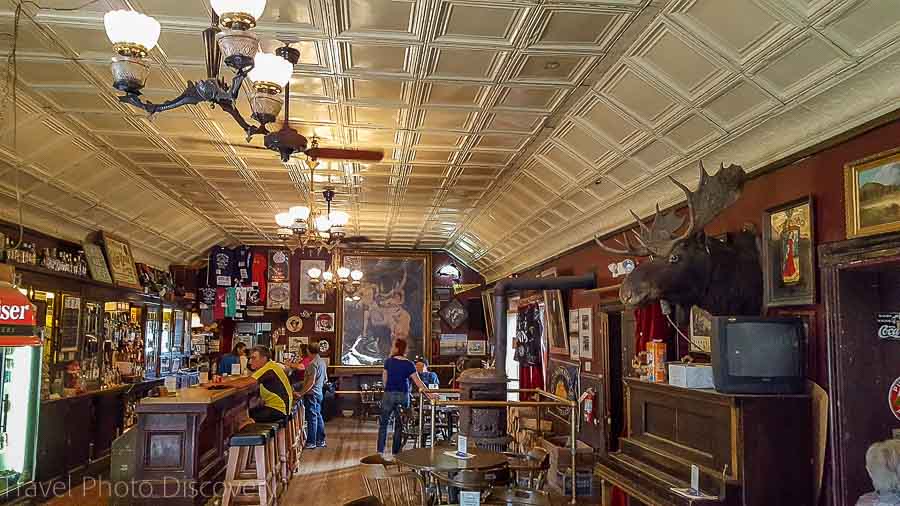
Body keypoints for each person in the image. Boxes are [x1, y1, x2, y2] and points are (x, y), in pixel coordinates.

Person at [378, 339, 434, 457]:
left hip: (389, 394)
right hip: (403, 395)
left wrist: (388, 388)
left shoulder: (388, 362)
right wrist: (430, 394)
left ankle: (380, 452)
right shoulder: (409, 364)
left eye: (393, 346)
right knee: (400, 426)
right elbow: (418, 383)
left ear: (397, 348)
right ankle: (396, 453)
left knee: (384, 424)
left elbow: (384, 380)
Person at [247, 346, 293, 424]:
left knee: (243, 422)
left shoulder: (268, 369)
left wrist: (221, 383)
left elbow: (245, 382)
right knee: (250, 412)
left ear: (264, 358)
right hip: (282, 409)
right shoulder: (272, 365)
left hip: (278, 410)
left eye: (253, 358)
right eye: (250, 358)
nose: (250, 362)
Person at [297, 344, 327, 449]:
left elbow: (310, 382)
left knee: (312, 418)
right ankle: (321, 440)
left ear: (309, 351)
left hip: (312, 394)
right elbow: (325, 379)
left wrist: (301, 393)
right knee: (318, 416)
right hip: (319, 393)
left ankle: (311, 442)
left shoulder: (312, 364)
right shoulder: (322, 362)